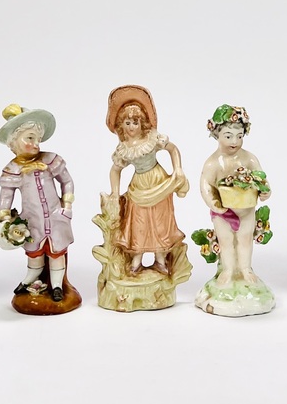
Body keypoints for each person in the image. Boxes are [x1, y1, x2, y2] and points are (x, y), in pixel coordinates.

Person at [0, 104, 75, 302]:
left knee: (57, 253)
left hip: (56, 218)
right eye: (30, 138)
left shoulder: (50, 160)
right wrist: (4, 215)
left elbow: (67, 181)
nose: (36, 144)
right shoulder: (13, 169)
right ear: (13, 141)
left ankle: (57, 286)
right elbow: (6, 195)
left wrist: (66, 206)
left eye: (38, 139)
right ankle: (30, 278)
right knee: (34, 253)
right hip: (32, 220)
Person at [106, 85, 188, 274]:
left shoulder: (152, 139)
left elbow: (172, 149)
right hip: (139, 186)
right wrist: (115, 192)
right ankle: (136, 260)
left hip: (158, 181)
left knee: (160, 222)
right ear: (121, 125)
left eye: (135, 122)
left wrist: (178, 169)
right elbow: (115, 170)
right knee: (139, 223)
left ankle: (160, 259)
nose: (131, 127)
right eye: (127, 123)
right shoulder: (124, 148)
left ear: (142, 123)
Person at [200, 105, 270, 286]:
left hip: (246, 210)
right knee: (226, 241)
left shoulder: (249, 159)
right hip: (223, 212)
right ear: (217, 134)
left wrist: (264, 190)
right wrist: (214, 203)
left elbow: (261, 177)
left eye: (240, 136)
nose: (235, 141)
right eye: (228, 136)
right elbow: (206, 185)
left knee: (245, 239)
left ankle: (245, 268)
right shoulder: (213, 163)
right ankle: (228, 269)